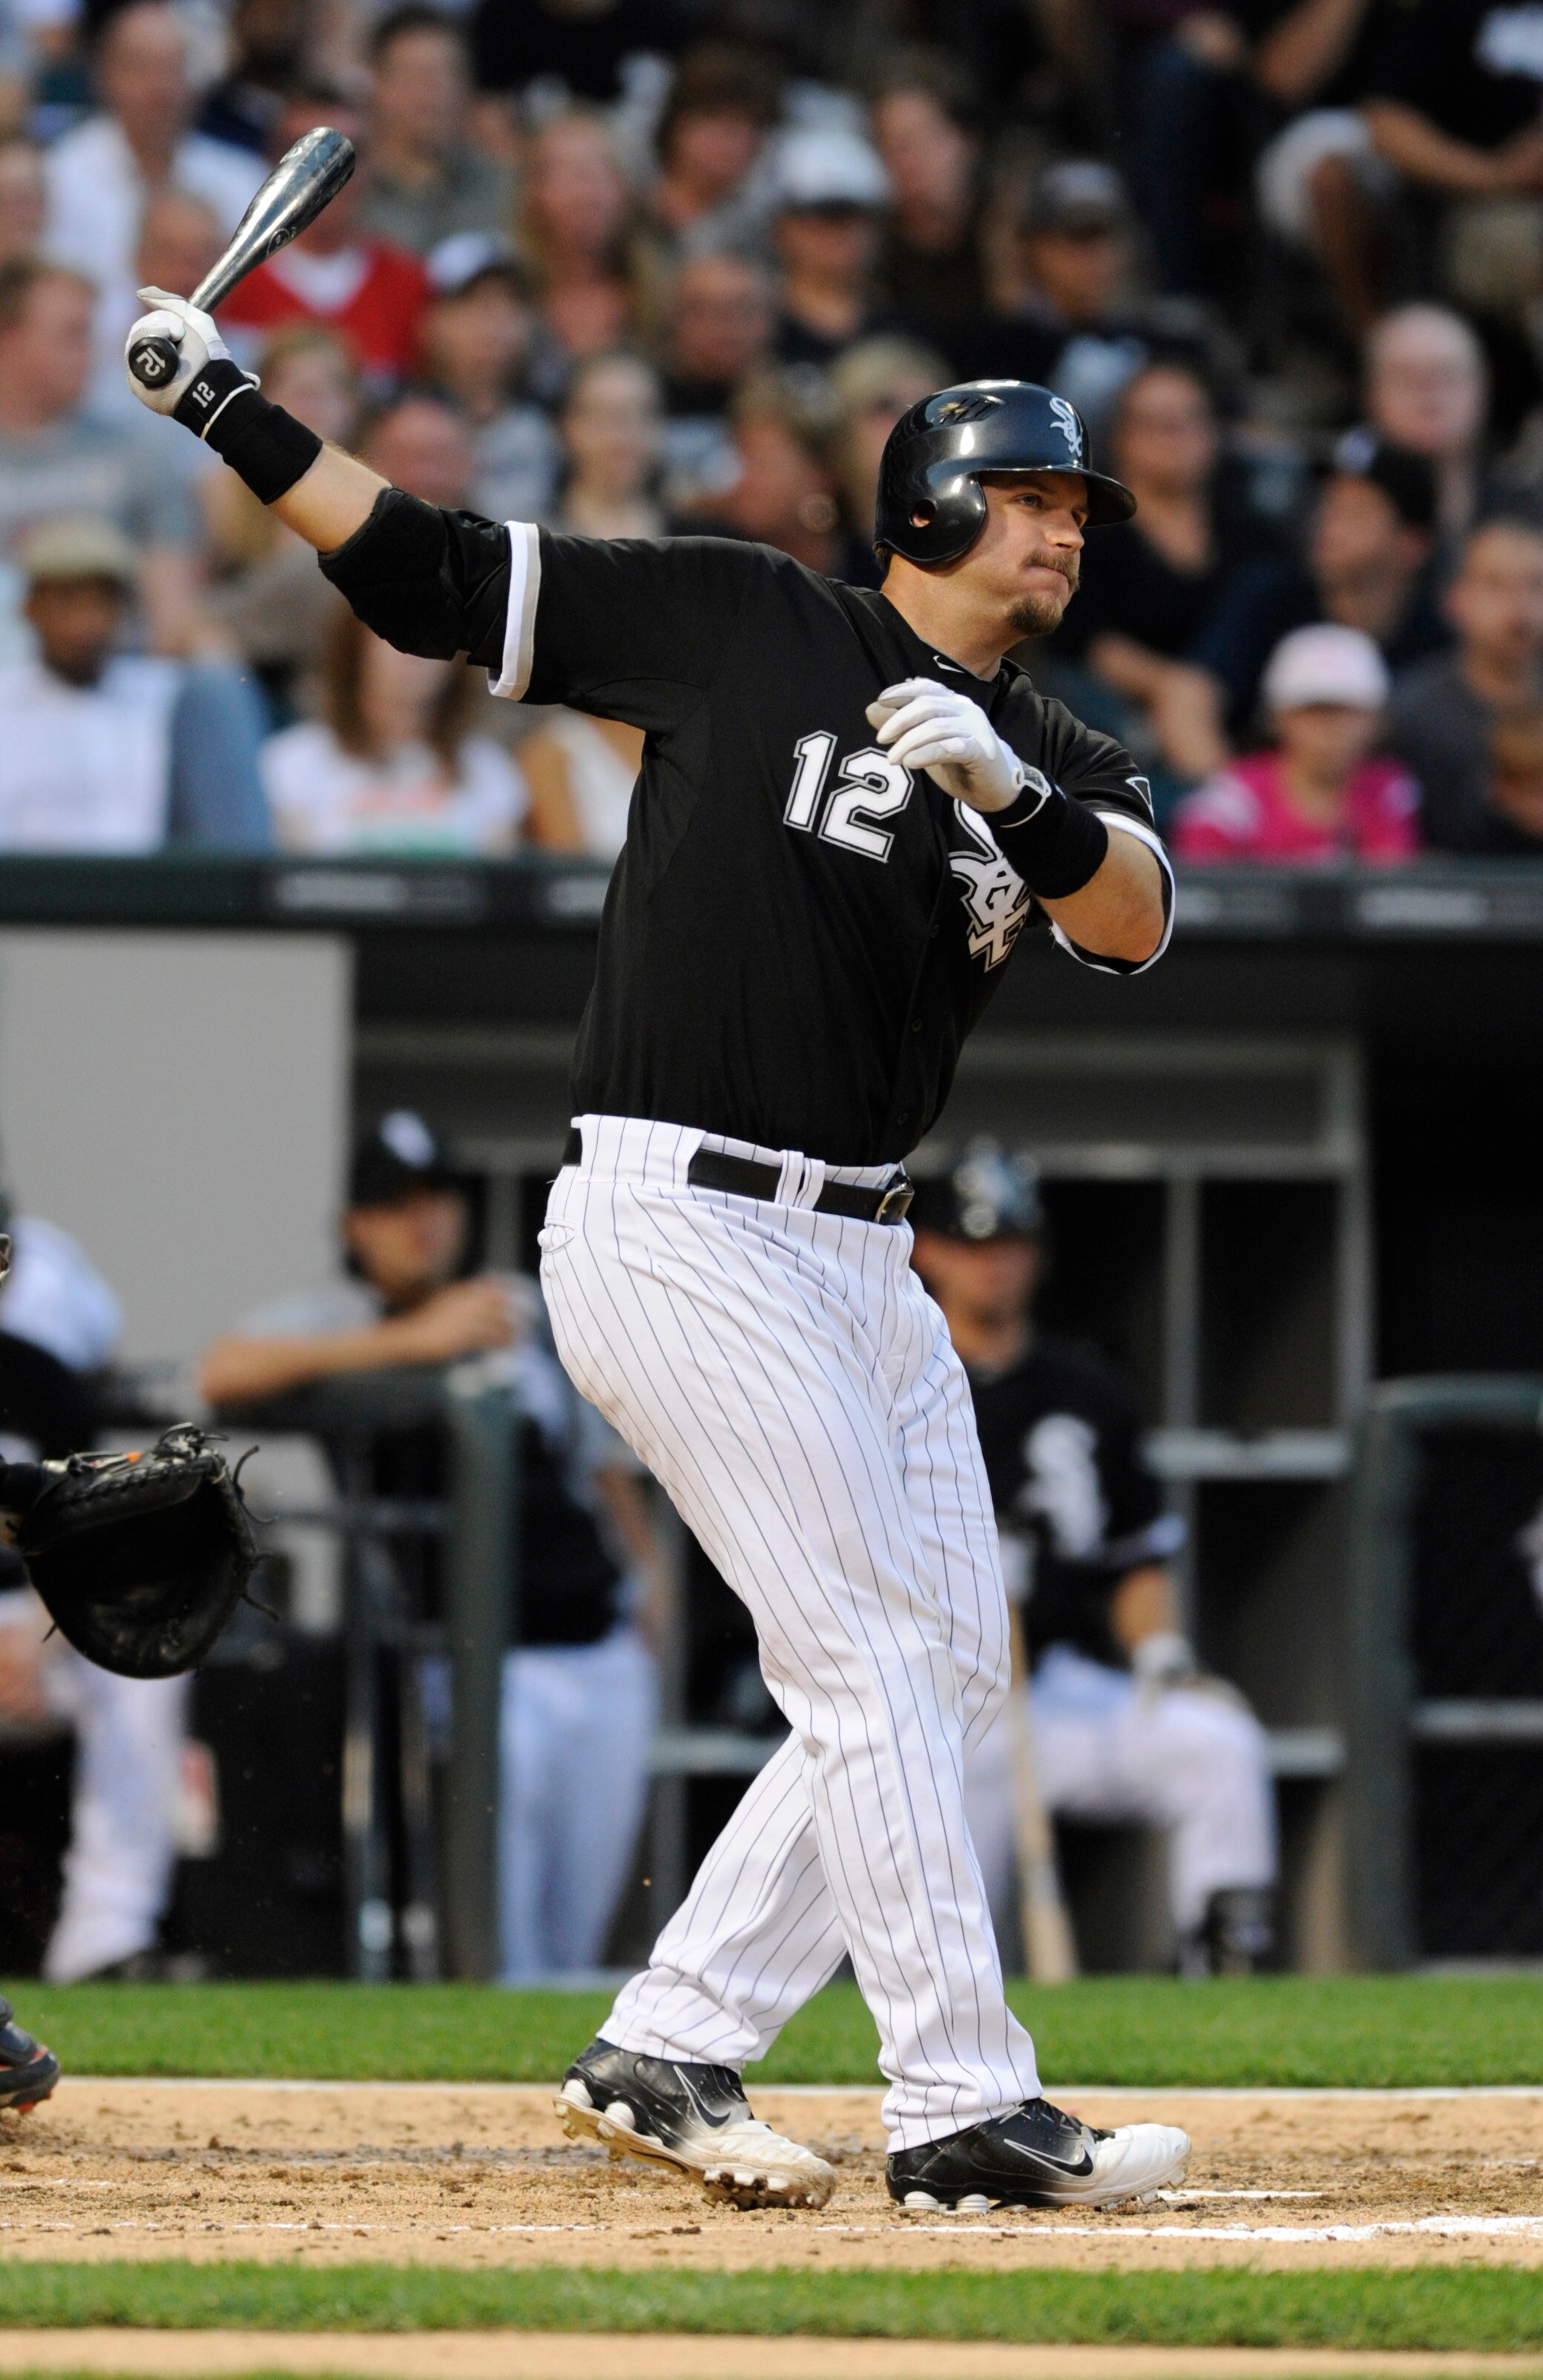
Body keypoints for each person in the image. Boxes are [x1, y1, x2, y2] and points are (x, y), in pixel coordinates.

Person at [128, 260, 1187, 2215]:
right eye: (1035, 502)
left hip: (868, 1261)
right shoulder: (747, 621)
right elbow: (437, 575)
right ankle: (962, 2100)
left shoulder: (1064, 744)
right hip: (681, 1212)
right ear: (938, 505)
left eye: (1075, 513)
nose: (1061, 535)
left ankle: (678, 2035)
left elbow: (1132, 915)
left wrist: (1013, 793)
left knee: (953, 1664)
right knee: (866, 1655)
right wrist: (232, 411)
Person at [199, 1111, 662, 1979]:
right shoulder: (337, 1316)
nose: (424, 1220)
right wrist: (416, 1340)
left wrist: (649, 1576)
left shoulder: (515, 1302)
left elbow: (594, 1457)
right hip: (473, 1662)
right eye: (396, 1203)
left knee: (579, 1920)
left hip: (598, 1645)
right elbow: (221, 1371)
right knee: (500, 1928)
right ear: (355, 1225)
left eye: (438, 1198)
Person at [909, 1145, 1277, 1976]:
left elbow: (1135, 1557)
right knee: (953, 1917)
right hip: (936, 1699)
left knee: (1216, 1743)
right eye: (974, 1243)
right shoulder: (892, 1383)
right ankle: (954, 2022)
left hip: (1058, 1683)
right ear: (926, 1249)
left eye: (1011, 1241)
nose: (995, 1263)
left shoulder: (1086, 1390)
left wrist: (1160, 1653)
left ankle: (1220, 1977)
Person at [0, 1200, 191, 1987]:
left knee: (147, 1632)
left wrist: (41, 1622)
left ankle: (104, 1937)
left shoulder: (35, 1374)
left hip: (22, 1616)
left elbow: (82, 1522)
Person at [1049, 359, 1281, 785]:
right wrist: (1172, 688)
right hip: (1125, 719)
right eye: (1154, 423)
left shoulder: (1252, 532)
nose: (1173, 436)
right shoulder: (1089, 534)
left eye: (1188, 419)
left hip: (1246, 709)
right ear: (1120, 437)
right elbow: (1081, 637)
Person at [0, 514, 270, 850]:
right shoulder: (6, 705)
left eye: (101, 601)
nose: (85, 622)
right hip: (29, 896)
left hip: (156, 892)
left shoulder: (167, 695)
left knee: (220, 692)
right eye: (67, 600)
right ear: (30, 608)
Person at [0, 259, 203, 656]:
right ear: (8, 339)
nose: (90, 354)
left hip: (113, 679)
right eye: (72, 335)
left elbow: (173, 619)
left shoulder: (137, 454)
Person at [1194, 433, 1449, 729]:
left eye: (1355, 512)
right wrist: (1224, 776)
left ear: (1411, 545)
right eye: (1328, 504)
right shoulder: (1271, 593)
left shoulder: (1439, 636)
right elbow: (1193, 694)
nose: (1329, 523)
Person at [42, 1, 260, 336]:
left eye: (172, 68)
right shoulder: (58, 178)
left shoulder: (242, 179)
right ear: (105, 75)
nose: (160, 88)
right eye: (140, 68)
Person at [260, 599, 526, 852]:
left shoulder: (489, 773)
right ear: (355, 646)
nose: (414, 653)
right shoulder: (289, 767)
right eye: (394, 635)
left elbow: (494, 892)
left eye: (433, 636)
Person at [217, 93, 430, 385]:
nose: (325, 176)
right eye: (305, 158)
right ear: (272, 165)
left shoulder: (409, 286)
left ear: (371, 165)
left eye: (345, 156)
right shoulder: (227, 285)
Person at [1173, 622, 1418, 864]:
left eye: (1348, 713)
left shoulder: (1389, 791)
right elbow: (1201, 890)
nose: (1332, 729)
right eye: (1314, 712)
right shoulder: (1233, 802)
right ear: (1278, 719)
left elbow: (1390, 887)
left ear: (1376, 721)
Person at [1387, 514, 1543, 851]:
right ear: (1455, 600)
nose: (1521, 606)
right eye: (1495, 584)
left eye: (1536, 584)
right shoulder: (1410, 713)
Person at [417, 247, 559, 527]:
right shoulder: (401, 422)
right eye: (474, 305)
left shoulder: (557, 420)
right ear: (432, 321)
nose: (493, 324)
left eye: (509, 305)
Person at [357, 6, 513, 259]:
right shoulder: (349, 199)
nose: (434, 90)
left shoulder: (502, 190)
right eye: (415, 75)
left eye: (448, 73)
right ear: (377, 85)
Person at [870, 52, 986, 360]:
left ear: (967, 141)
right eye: (892, 145)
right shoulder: (868, 250)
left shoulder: (1012, 233)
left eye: (926, 137)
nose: (909, 161)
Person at [517, 108, 652, 372]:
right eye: (567, 174)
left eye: (602, 172)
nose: (586, 193)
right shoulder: (509, 293)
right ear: (534, 193)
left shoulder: (664, 295)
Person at [657, 248, 774, 514]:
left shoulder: (796, 409)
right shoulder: (644, 401)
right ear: (674, 320)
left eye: (744, 310)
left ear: (770, 319)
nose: (727, 327)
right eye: (706, 311)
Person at [768, 124, 892, 370]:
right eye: (826, 217)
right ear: (784, 226)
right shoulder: (757, 330)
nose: (846, 232)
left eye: (859, 217)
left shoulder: (898, 332)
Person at [1363, 306, 1490, 540]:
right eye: (1406, 377)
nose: (1429, 393)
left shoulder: (1527, 516)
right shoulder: (1334, 522)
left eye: (1447, 375)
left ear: (1480, 393)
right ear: (1372, 398)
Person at [645, 44, 781, 263]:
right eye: (715, 119)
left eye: (751, 125)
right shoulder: (625, 206)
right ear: (676, 123)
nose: (734, 139)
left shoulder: (763, 233)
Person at [548, 349, 667, 541]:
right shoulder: (524, 543)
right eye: (601, 416)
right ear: (567, 427)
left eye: (641, 415)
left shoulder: (702, 545)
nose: (622, 436)